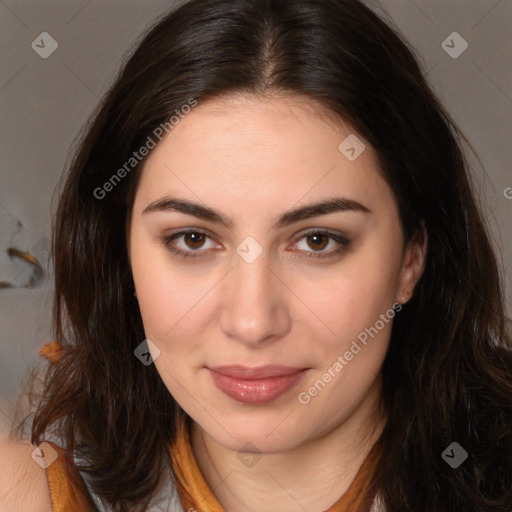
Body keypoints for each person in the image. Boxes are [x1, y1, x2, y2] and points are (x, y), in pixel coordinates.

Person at [1, 0, 511, 511]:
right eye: (193, 240)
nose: (251, 322)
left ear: (411, 259)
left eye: (317, 241)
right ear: (121, 253)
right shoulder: (31, 488)